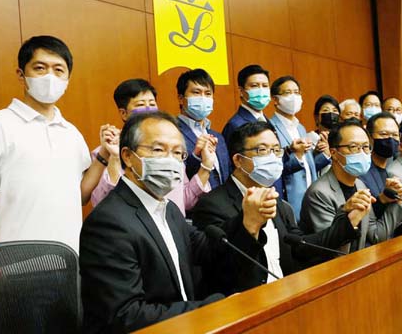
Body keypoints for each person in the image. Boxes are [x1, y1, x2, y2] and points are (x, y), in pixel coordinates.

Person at [79, 112, 274, 332]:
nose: (170, 160)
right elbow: (125, 315)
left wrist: (248, 222)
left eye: (178, 153)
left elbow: (208, 250)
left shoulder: (167, 209)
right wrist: (214, 308)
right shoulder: (108, 223)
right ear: (127, 156)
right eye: (159, 150)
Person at [0, 35, 110, 252]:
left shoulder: (72, 133)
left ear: (68, 79)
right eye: (40, 68)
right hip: (14, 263)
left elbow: (79, 195)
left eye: (59, 70)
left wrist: (104, 157)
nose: (50, 76)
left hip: (69, 260)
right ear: (21, 75)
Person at [190, 122, 365, 289]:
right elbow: (221, 270)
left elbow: (301, 247)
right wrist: (248, 224)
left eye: (276, 150)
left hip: (286, 296)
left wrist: (347, 222)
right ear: (238, 160)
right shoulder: (212, 205)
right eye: (262, 150)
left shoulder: (279, 204)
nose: (272, 157)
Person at [90, 78, 214, 216]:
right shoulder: (106, 153)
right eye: (141, 104)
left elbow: (185, 200)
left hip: (172, 228)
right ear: (123, 113)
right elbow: (101, 203)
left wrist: (206, 166)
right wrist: (114, 158)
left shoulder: (172, 150)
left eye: (152, 104)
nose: (148, 110)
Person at [301, 120, 402, 249]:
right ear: (334, 153)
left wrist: (397, 201)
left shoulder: (360, 185)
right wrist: (350, 218)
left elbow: (376, 235)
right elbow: (332, 248)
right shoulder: (319, 193)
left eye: (365, 147)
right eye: (353, 147)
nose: (362, 153)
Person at [269, 76, 330, 219]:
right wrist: (296, 155)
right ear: (276, 100)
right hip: (290, 201)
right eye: (287, 93)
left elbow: (308, 166)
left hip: (311, 199)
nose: (293, 97)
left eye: (296, 92)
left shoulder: (300, 127)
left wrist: (326, 154)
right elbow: (275, 168)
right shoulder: (271, 128)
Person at [176, 69, 230, 190]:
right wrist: (195, 156)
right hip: (194, 205)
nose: (203, 98)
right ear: (181, 98)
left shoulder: (218, 137)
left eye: (208, 93)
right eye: (196, 92)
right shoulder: (172, 132)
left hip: (222, 205)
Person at [358, 112, 402, 221]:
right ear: (369, 138)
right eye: (383, 134)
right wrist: (383, 199)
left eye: (395, 135)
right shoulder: (361, 172)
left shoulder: (395, 168)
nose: (390, 139)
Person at [222, 64, 272, 145]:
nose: (261, 90)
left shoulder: (266, 120)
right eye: (255, 86)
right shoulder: (235, 125)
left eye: (265, 86)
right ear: (241, 91)